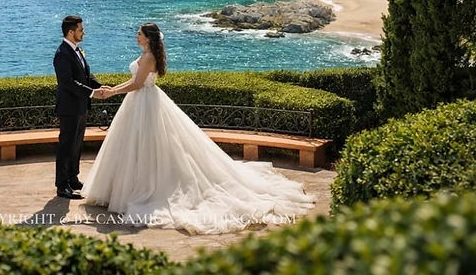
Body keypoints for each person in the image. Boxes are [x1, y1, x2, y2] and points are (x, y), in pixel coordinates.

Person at [82, 23, 315, 234]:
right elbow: (135, 82)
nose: (136, 36)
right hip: (141, 102)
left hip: (144, 103)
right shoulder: (147, 55)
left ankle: (142, 189)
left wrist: (111, 92)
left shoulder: (148, 57)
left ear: (149, 38)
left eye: (139, 34)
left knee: (148, 146)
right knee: (141, 146)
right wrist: (111, 88)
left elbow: (137, 84)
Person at [53, 15, 106, 200]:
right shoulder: (62, 54)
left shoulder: (76, 51)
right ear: (71, 32)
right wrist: (91, 93)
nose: (83, 32)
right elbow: (67, 83)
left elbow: (84, 77)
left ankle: (73, 178)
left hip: (80, 106)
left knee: (76, 145)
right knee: (66, 146)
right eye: (81, 30)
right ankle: (62, 185)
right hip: (69, 108)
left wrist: (101, 87)